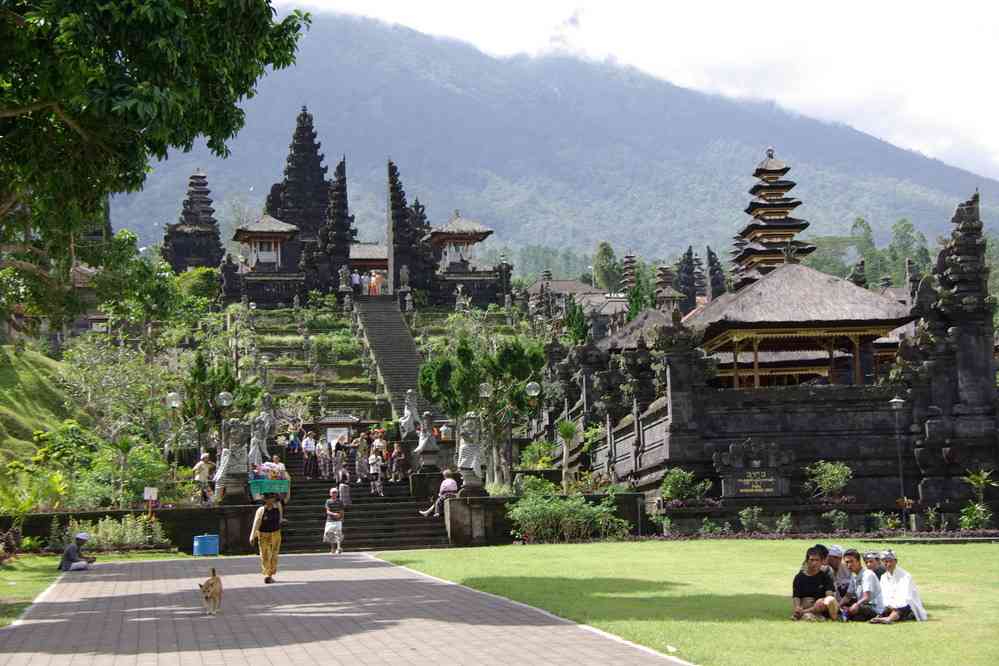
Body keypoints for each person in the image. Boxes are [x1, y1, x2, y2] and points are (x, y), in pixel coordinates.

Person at [871, 550, 927, 623]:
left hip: (905, 604)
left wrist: (893, 605)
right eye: (885, 562)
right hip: (889, 604)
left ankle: (889, 619)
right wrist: (887, 604)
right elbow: (883, 594)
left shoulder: (905, 576)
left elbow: (905, 597)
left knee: (901, 607)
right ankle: (882, 617)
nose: (888, 564)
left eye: (890, 561)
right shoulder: (883, 577)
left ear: (896, 561)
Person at [792, 545, 839, 621]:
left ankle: (804, 614)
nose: (814, 563)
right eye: (812, 560)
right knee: (807, 602)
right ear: (807, 561)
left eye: (817, 560)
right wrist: (797, 607)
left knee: (830, 600)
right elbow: (796, 597)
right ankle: (806, 614)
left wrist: (821, 600)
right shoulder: (799, 577)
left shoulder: (826, 576)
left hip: (821, 606)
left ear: (821, 562)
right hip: (807, 606)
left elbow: (829, 595)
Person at [840, 548, 883, 621]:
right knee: (850, 610)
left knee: (854, 609)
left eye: (851, 561)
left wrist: (855, 605)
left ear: (858, 562)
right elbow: (847, 596)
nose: (849, 565)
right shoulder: (854, 576)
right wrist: (838, 606)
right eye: (847, 562)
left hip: (874, 608)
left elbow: (866, 597)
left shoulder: (867, 574)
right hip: (863, 606)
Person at [250, 494, 283, 584]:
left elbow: (280, 518)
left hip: (275, 534)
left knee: (274, 555)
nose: (270, 500)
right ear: (264, 499)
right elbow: (256, 522)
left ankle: (270, 575)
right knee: (264, 555)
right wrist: (252, 535)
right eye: (268, 498)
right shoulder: (261, 510)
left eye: (272, 498)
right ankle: (267, 574)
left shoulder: (278, 507)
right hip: (263, 534)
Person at [323, 487, 345, 555]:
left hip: (338, 520)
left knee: (338, 534)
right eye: (333, 492)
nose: (334, 494)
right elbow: (327, 511)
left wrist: (342, 517)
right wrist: (334, 514)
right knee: (330, 534)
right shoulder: (328, 501)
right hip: (330, 520)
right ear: (330, 494)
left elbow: (342, 510)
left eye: (335, 492)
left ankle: (338, 548)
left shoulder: (340, 501)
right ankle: (332, 549)